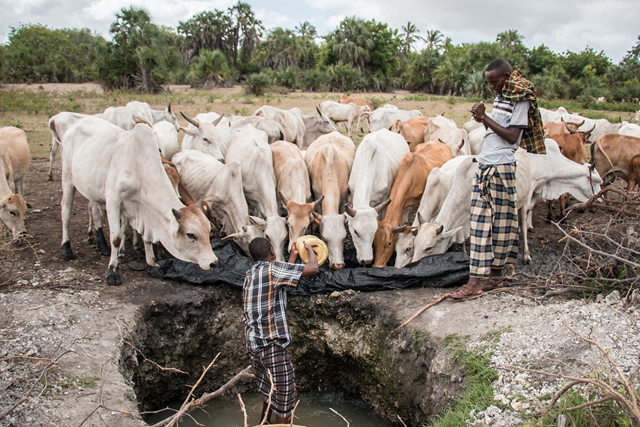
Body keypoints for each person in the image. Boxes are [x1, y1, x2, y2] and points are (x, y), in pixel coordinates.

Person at [450, 58, 545, 299]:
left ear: (506, 77)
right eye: (489, 83)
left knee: (497, 224)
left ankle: (480, 281)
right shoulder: (502, 96)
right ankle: (488, 277)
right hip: (486, 162)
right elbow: (495, 133)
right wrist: (482, 120)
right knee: (484, 222)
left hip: (501, 166)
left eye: (494, 82)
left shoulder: (520, 99)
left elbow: (513, 137)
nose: (492, 86)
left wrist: (485, 118)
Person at [243, 237, 320, 424]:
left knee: (270, 393)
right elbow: (313, 269)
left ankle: (262, 424)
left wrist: (293, 256)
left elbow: (282, 280)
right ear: (272, 251)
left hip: (255, 346)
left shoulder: (251, 273)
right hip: (272, 346)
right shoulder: (272, 270)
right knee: (285, 399)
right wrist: (311, 250)